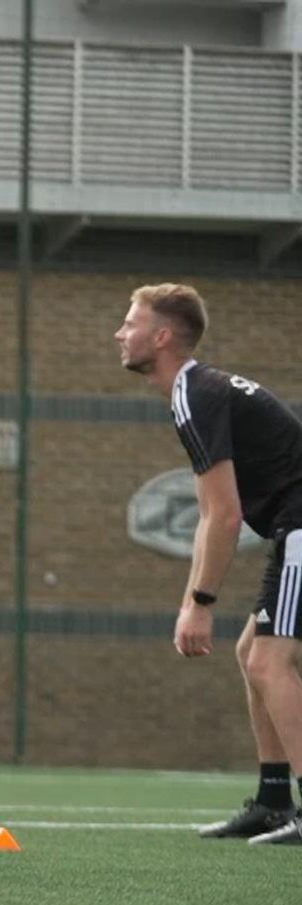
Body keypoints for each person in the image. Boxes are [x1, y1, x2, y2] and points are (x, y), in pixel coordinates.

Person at [119, 283, 302, 846]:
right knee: (253, 654)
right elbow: (208, 512)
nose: (120, 333)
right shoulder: (195, 392)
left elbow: (224, 515)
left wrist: (199, 606)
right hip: (290, 529)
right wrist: (190, 600)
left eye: (131, 323)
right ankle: (274, 802)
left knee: (272, 662)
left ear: (162, 336)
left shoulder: (194, 392)